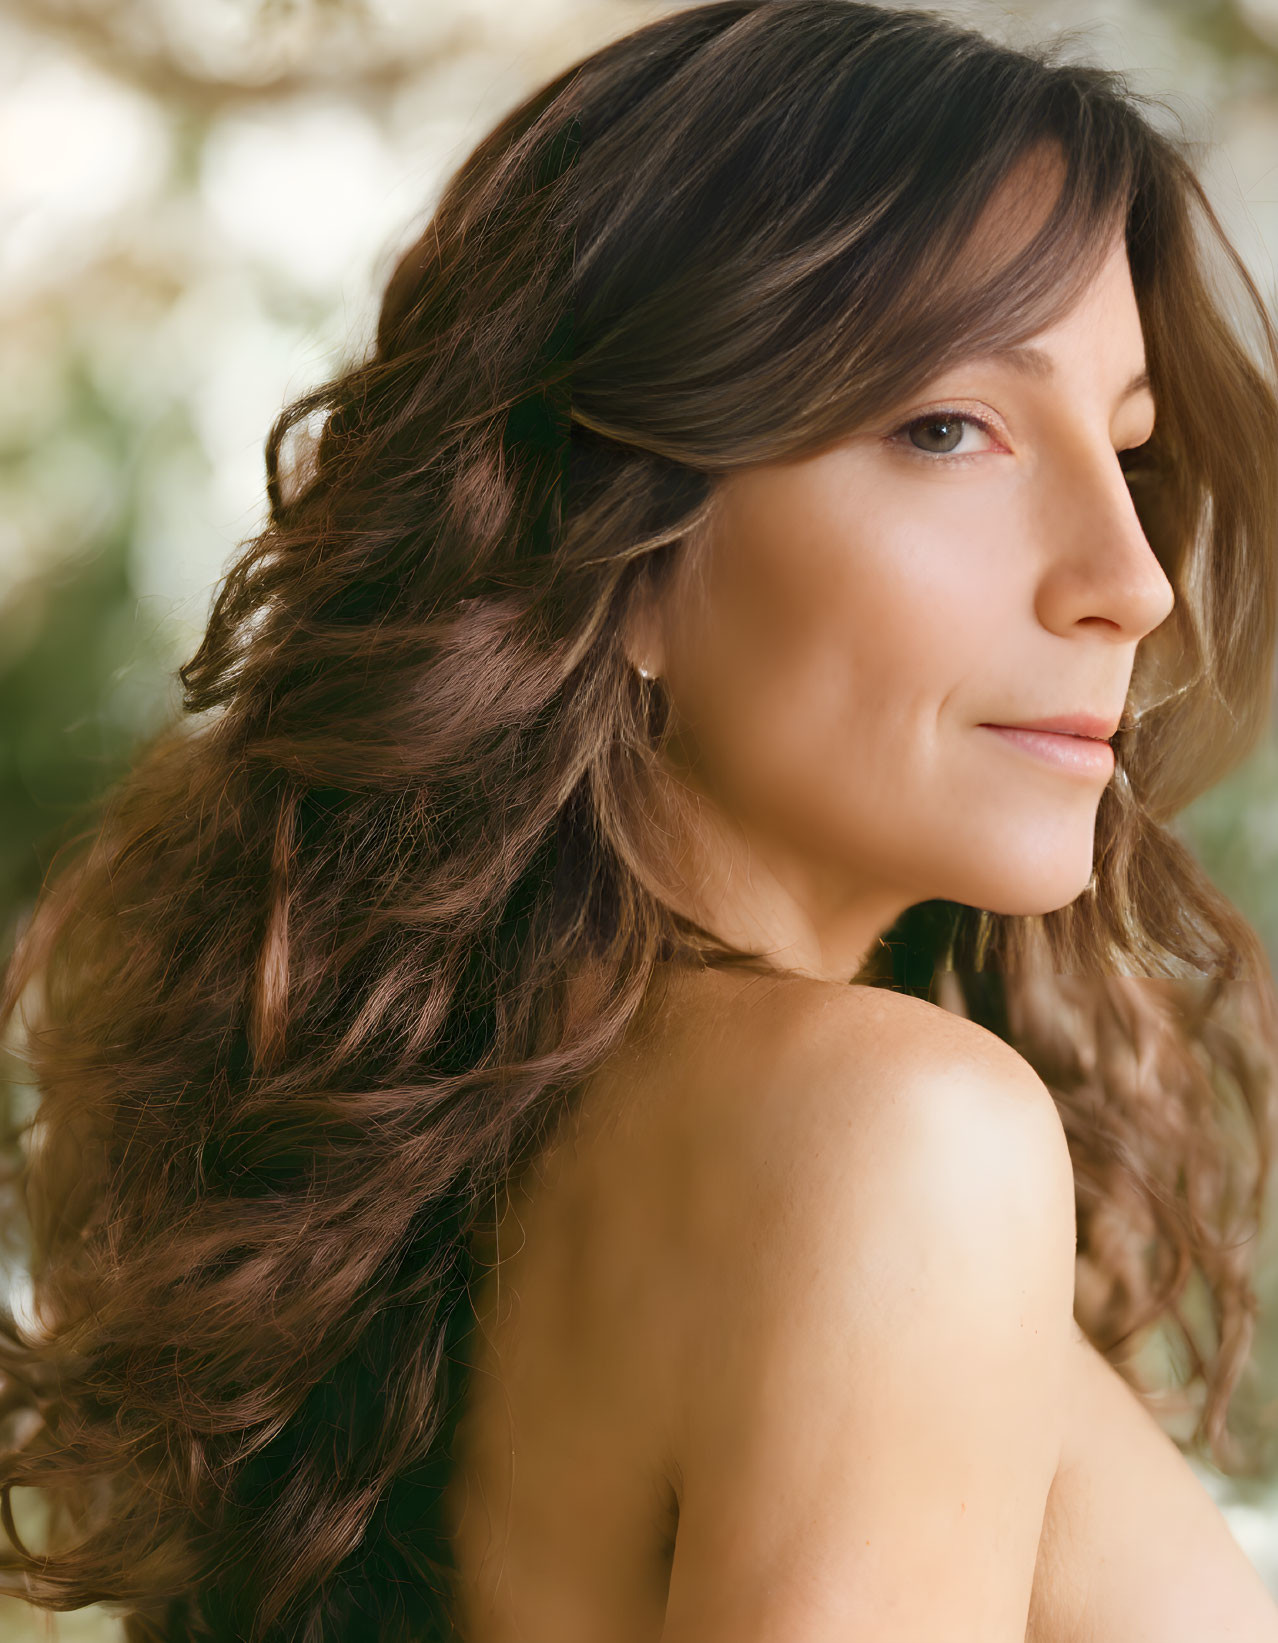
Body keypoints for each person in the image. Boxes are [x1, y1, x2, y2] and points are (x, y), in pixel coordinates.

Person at [3, 0, 1278, 1637]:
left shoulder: (470, 1169)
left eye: (1123, 451)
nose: (1129, 581)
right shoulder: (897, 1140)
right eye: (949, 428)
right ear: (616, 551)